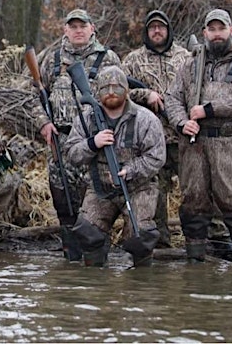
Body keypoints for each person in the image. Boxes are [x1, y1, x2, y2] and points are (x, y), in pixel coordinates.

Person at [165, 8, 232, 265]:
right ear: (204, 33)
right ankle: (195, 265)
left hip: (231, 144)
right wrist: (182, 122)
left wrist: (208, 110)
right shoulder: (190, 65)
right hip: (194, 145)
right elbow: (172, 98)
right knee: (193, 203)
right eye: (212, 29)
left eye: (221, 29)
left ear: (231, 30)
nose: (217, 34)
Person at [32, 8, 121, 261]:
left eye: (83, 26)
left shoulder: (108, 58)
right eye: (73, 26)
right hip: (59, 142)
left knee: (96, 200)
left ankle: (95, 258)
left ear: (92, 28)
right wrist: (44, 123)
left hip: (95, 144)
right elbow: (35, 95)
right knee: (63, 201)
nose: (78, 30)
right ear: (65, 30)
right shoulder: (52, 58)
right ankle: (71, 261)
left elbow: (120, 98)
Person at [65, 66, 166, 267]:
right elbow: (71, 154)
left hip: (139, 187)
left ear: (126, 90)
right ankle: (95, 285)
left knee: (141, 237)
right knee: (87, 232)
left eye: (117, 87)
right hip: (101, 188)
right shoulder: (86, 119)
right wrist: (92, 143)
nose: (111, 92)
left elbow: (157, 157)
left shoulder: (145, 118)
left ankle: (142, 284)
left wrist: (131, 170)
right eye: (105, 88)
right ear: (97, 92)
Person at [122, 10, 189, 248]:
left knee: (194, 191)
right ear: (146, 32)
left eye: (161, 27)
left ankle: (200, 242)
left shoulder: (185, 57)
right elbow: (118, 92)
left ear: (168, 30)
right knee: (156, 196)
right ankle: (161, 246)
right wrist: (146, 94)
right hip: (150, 141)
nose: (157, 31)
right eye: (152, 28)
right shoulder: (132, 60)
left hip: (183, 138)